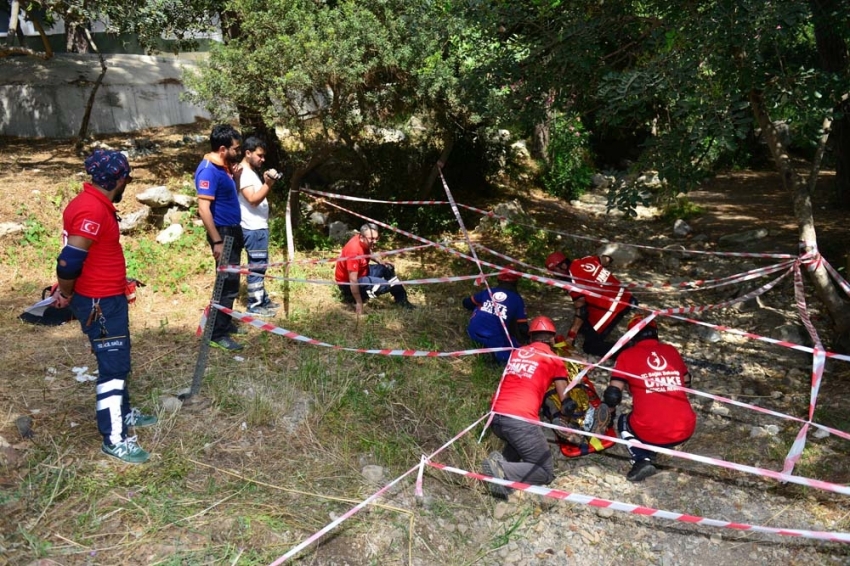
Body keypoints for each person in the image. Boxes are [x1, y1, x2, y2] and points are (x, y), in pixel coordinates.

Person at [51, 149, 157, 464]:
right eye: (127, 179)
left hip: (106, 296)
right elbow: (69, 260)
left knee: (117, 360)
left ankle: (123, 413)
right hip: (99, 302)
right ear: (120, 179)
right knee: (113, 367)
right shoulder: (92, 210)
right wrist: (67, 293)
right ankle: (114, 438)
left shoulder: (89, 203)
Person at [481, 316, 569, 498]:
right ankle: (501, 469)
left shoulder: (517, 352)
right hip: (519, 419)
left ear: (531, 337)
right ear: (552, 338)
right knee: (545, 471)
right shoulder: (554, 359)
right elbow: (565, 399)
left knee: (519, 442)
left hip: (495, 417)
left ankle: (502, 468)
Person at [600, 316, 696, 482]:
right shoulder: (671, 350)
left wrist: (608, 417)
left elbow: (613, 395)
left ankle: (641, 459)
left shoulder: (627, 355)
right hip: (686, 429)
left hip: (654, 432)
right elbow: (687, 381)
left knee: (624, 420)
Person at [195, 124, 244, 351]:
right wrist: (217, 241)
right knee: (226, 284)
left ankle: (225, 322)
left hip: (233, 230)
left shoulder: (223, 166)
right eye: (236, 148)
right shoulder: (207, 170)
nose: (239, 152)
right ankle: (217, 333)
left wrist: (234, 178)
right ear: (223, 148)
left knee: (232, 281)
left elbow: (228, 196)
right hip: (223, 233)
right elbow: (204, 210)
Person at [545, 250, 636, 357]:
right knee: (586, 325)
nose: (556, 276)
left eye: (555, 271)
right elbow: (607, 259)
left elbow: (581, 311)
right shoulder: (585, 260)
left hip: (616, 306)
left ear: (563, 266)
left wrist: (571, 336)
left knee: (590, 346)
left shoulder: (573, 281)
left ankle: (628, 351)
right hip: (626, 295)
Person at [238, 136, 281, 316]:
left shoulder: (250, 171)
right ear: (248, 153)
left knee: (261, 265)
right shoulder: (244, 172)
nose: (262, 159)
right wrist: (268, 184)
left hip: (258, 227)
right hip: (252, 228)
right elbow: (253, 199)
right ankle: (255, 306)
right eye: (259, 155)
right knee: (256, 266)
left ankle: (262, 298)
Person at [334, 223, 414, 313]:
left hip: (362, 272)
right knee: (386, 285)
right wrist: (359, 303)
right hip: (349, 283)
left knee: (387, 268)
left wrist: (380, 262)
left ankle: (402, 300)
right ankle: (360, 296)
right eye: (371, 239)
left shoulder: (362, 240)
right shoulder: (353, 253)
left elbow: (368, 251)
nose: (375, 242)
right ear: (361, 237)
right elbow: (353, 281)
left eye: (376, 238)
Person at [462, 268, 528, 365]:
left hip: (472, 332)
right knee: (516, 351)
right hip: (494, 338)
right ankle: (494, 357)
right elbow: (522, 327)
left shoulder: (488, 291)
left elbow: (466, 303)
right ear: (516, 282)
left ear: (498, 279)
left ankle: (485, 350)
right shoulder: (517, 300)